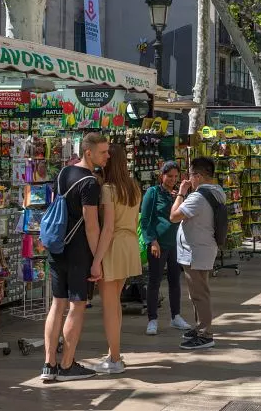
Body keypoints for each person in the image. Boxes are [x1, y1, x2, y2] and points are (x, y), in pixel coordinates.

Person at [42, 133, 108, 383]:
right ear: (88, 153)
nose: (107, 156)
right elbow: (91, 225)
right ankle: (67, 365)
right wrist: (96, 260)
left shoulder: (63, 173)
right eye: (103, 152)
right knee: (76, 306)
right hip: (78, 250)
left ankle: (48, 364)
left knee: (56, 304)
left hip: (56, 246)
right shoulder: (90, 183)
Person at [91, 144, 143, 373]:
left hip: (113, 246)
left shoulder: (109, 189)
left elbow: (108, 227)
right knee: (115, 304)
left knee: (110, 306)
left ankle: (115, 359)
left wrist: (96, 260)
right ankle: (114, 353)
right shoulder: (133, 187)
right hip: (130, 244)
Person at [171, 156, 226, 350]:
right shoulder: (217, 192)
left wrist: (180, 193)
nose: (189, 179)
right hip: (202, 249)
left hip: (195, 251)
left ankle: (205, 334)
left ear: (199, 176)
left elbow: (174, 216)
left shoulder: (198, 197)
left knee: (200, 294)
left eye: (191, 175)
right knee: (197, 293)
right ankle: (200, 327)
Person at [140, 162, 191, 336]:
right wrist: (152, 241)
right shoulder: (152, 193)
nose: (172, 180)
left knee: (175, 281)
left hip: (175, 245)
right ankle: (152, 319)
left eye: (176, 177)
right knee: (154, 281)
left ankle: (176, 316)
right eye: (169, 176)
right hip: (158, 245)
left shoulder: (177, 195)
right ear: (161, 175)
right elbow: (145, 219)